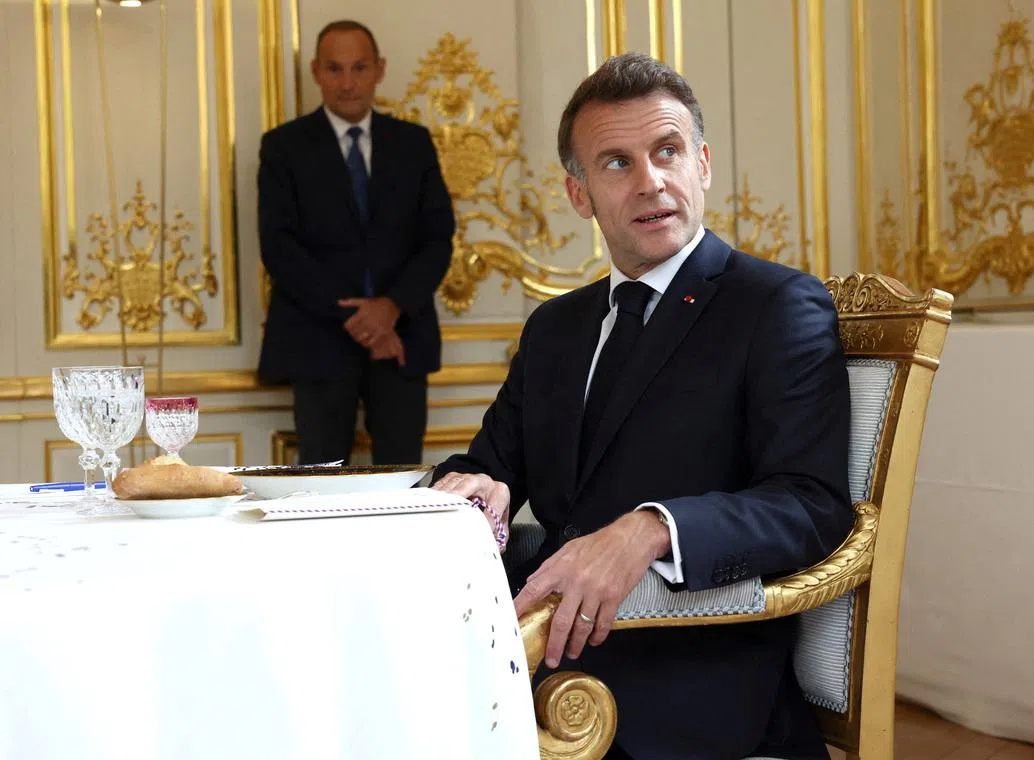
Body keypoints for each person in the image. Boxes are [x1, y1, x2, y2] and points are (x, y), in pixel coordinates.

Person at [432, 52, 852, 760]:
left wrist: (652, 528)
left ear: (702, 164)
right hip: (531, 660)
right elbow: (487, 464)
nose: (651, 180)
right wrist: (476, 488)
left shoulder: (774, 305)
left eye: (668, 151)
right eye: (617, 163)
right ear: (580, 194)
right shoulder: (555, 327)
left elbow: (811, 505)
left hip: (687, 683)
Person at [257, 20, 455, 466]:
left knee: (402, 477)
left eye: (359, 68)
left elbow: (437, 239)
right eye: (335, 69)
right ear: (316, 71)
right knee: (321, 479)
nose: (347, 82)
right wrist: (361, 319)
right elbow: (279, 247)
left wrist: (391, 308)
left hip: (402, 337)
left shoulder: (414, 143)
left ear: (379, 69)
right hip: (317, 340)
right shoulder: (283, 147)